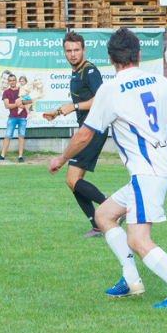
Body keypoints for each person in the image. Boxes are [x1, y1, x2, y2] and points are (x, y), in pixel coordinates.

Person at [49, 28, 167, 309]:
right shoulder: (157, 80)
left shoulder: (110, 90)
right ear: (138, 54)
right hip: (163, 168)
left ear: (111, 59)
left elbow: (85, 135)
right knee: (103, 215)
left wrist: (61, 159)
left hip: (148, 173)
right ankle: (132, 280)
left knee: (138, 239)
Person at [43, 31, 107, 238]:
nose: (72, 54)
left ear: (84, 50)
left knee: (72, 180)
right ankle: (98, 225)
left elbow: (101, 100)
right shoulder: (76, 72)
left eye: (76, 50)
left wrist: (74, 106)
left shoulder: (90, 71)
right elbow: (78, 103)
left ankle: (111, 209)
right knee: (73, 181)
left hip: (93, 129)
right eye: (69, 50)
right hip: (88, 128)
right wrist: (58, 112)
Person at [0, 74, 28, 162]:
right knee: (8, 136)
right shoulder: (6, 92)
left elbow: (28, 102)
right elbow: (7, 106)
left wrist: (23, 104)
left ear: (16, 81)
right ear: (8, 82)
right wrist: (17, 104)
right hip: (12, 117)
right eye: (10, 80)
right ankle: (2, 155)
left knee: (21, 136)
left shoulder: (22, 90)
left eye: (13, 80)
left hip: (22, 116)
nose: (12, 82)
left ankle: (20, 156)